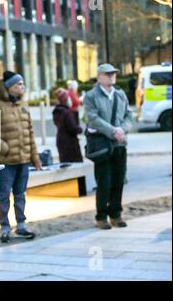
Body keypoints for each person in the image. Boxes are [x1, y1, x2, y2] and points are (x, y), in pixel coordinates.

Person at [0, 71, 42, 243]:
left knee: (21, 193)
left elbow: (29, 132)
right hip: (5, 161)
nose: (22, 87)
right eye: (18, 84)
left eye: (22, 84)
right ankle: (5, 227)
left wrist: (35, 156)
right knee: (3, 195)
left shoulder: (22, 105)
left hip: (23, 159)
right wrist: (3, 147)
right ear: (9, 87)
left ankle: (21, 225)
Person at [83, 64, 134, 230]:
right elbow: (92, 118)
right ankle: (101, 216)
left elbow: (128, 115)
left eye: (113, 74)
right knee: (104, 181)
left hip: (119, 144)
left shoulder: (120, 94)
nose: (112, 76)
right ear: (99, 77)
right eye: (107, 74)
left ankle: (116, 214)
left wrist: (122, 129)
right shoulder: (91, 96)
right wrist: (113, 131)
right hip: (102, 145)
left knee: (119, 180)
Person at [53, 88, 83, 163]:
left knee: (65, 165)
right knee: (75, 167)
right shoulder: (67, 113)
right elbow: (73, 128)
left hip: (61, 141)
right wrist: (80, 129)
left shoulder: (57, 111)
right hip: (70, 143)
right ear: (65, 99)